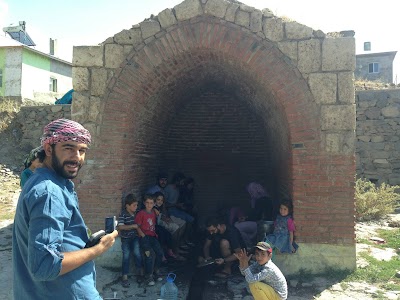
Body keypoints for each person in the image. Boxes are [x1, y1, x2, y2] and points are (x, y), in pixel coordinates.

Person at [12, 118, 118, 299]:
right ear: (48, 149)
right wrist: (97, 250)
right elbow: (44, 266)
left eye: (82, 150)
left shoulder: (47, 184)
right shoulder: (49, 193)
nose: (76, 156)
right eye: (68, 148)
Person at [134, 193, 164, 286]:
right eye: (147, 203)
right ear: (144, 203)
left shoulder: (154, 212)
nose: (149, 205)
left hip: (153, 236)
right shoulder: (141, 214)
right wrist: (142, 235)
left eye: (151, 203)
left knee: (159, 253)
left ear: (154, 204)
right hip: (144, 237)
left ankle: (156, 270)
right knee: (149, 255)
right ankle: (148, 275)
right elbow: (137, 226)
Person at [117, 194, 144, 287]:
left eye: (136, 205)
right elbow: (120, 226)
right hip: (125, 239)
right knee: (126, 256)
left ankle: (139, 273)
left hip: (135, 238)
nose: (136, 207)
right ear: (127, 205)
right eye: (134, 205)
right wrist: (133, 226)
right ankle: (125, 277)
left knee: (137, 253)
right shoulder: (123, 214)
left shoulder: (138, 213)